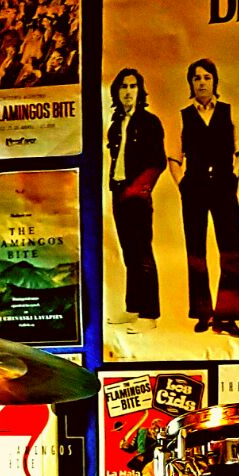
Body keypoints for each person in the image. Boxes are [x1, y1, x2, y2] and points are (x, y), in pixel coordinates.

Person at [168, 58, 239, 338]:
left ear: (215, 81)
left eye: (207, 77)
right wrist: (183, 185)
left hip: (224, 186)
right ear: (191, 83)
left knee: (232, 251)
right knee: (196, 251)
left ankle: (228, 317)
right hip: (195, 188)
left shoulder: (228, 112)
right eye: (197, 78)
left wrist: (234, 178)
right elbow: (174, 158)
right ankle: (203, 313)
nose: (202, 82)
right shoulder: (183, 116)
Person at [106, 67, 166, 325]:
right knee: (128, 253)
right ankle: (133, 308)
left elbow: (158, 162)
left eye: (132, 86)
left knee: (142, 253)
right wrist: (119, 189)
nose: (128, 91)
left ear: (140, 90)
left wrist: (140, 189)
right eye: (123, 86)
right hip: (118, 192)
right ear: (116, 92)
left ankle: (149, 314)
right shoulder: (115, 125)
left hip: (137, 195)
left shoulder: (150, 122)